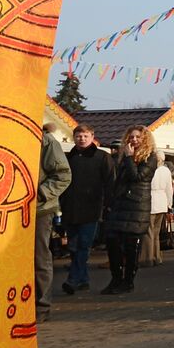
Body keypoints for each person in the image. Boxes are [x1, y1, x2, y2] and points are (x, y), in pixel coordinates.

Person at [104, 125, 158, 294]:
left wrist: (129, 158)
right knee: (112, 243)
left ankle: (128, 281)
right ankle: (116, 278)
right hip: (120, 204)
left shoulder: (150, 157)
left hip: (137, 205)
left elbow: (137, 177)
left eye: (138, 137)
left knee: (131, 246)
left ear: (145, 139)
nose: (134, 140)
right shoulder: (121, 156)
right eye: (131, 137)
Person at [60, 124, 112, 295]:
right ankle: (83, 280)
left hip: (92, 208)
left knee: (84, 245)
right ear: (73, 137)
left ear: (92, 137)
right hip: (70, 209)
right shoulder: (67, 158)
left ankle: (73, 279)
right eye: (78, 136)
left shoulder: (102, 157)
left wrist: (107, 205)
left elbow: (110, 183)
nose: (81, 139)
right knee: (73, 246)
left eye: (85, 136)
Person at [35, 125, 72, 323]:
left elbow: (63, 175)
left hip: (38, 209)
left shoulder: (45, 141)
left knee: (38, 257)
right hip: (3, 209)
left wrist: (40, 193)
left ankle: (41, 307)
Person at [142, 151, 173, 267]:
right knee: (156, 232)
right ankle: (157, 257)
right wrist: (169, 205)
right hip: (162, 202)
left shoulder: (149, 170)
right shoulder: (166, 171)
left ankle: (147, 258)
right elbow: (169, 189)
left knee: (148, 232)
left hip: (150, 202)